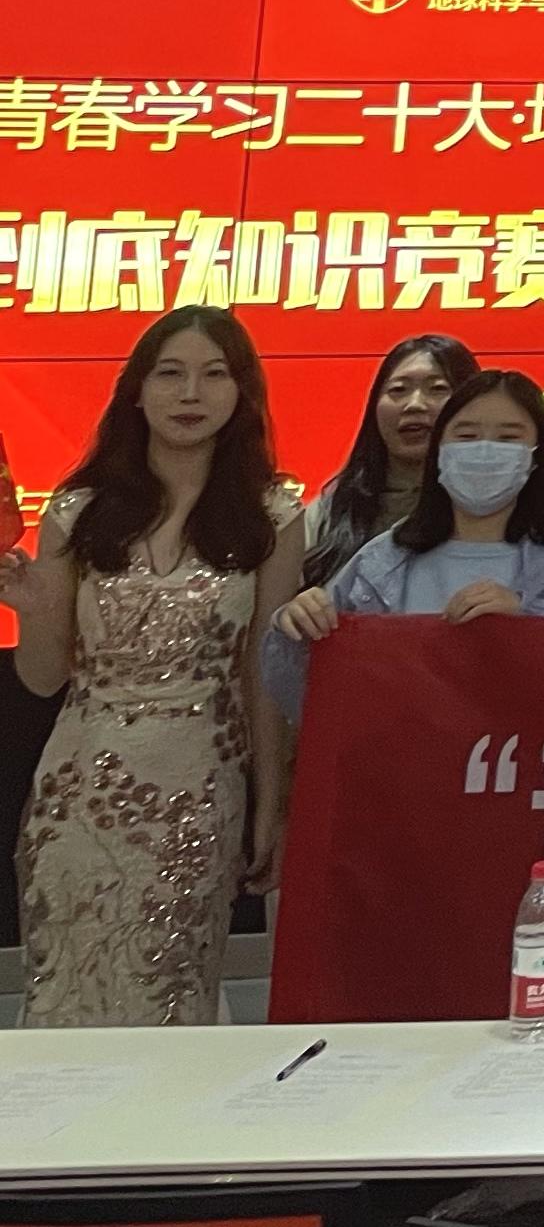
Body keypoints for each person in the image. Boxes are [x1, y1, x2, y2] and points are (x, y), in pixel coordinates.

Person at [3, 307, 298, 1025]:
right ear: (136, 391)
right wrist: (33, 609)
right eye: (169, 374)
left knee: (172, 986)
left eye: (213, 374)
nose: (190, 393)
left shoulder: (273, 514)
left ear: (241, 393)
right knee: (66, 989)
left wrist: (272, 803)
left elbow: (265, 678)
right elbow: (43, 678)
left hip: (199, 789)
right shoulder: (78, 511)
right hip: (79, 790)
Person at [267, 369, 544, 715]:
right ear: (439, 452)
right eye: (466, 436)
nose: (484, 451)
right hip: (400, 749)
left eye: (508, 438)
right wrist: (297, 628)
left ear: (538, 457)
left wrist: (530, 621)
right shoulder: (383, 561)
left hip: (526, 751)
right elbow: (308, 698)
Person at [296, 332, 478, 593]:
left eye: (437, 389)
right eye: (398, 390)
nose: (414, 404)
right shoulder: (332, 511)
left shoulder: (493, 509)